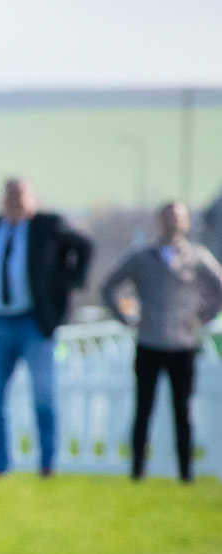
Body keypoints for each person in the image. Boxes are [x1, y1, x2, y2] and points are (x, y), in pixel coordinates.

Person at [0, 177, 94, 478]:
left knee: (43, 393)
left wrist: (69, 284)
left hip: (34, 322)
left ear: (31, 198)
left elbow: (83, 246)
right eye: (9, 195)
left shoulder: (46, 225)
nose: (14, 201)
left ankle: (47, 462)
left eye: (20, 195)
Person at [99, 200, 222, 483]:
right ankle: (137, 470)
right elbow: (108, 287)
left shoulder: (197, 256)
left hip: (183, 343)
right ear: (159, 221)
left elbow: (219, 288)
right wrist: (127, 318)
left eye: (179, 218)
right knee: (144, 408)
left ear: (186, 223)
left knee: (183, 409)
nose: (173, 223)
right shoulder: (143, 257)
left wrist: (202, 318)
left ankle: (185, 473)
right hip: (149, 342)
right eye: (168, 217)